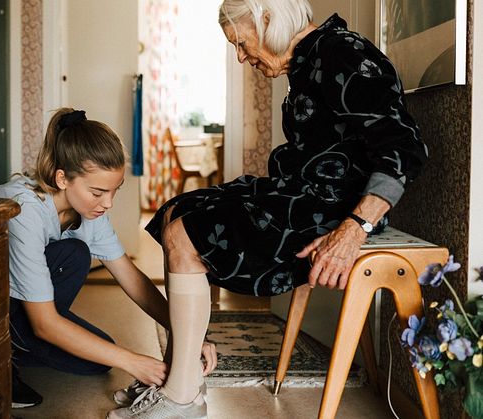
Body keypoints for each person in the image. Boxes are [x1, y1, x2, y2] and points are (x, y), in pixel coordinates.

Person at [107, 0, 427, 417]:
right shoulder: (308, 58)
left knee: (187, 234)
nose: (241, 56)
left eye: (241, 43)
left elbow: (405, 149)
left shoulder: (342, 52)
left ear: (269, 19)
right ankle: (184, 372)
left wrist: (354, 229)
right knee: (174, 212)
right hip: (299, 194)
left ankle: (181, 394)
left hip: (331, 211)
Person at [0, 107, 216, 409]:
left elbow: (132, 279)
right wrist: (135, 363)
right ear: (62, 179)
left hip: (23, 310)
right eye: (98, 192)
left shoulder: (89, 212)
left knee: (98, 363)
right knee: (74, 255)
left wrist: (189, 334)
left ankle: (20, 348)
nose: (108, 203)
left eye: (114, 191)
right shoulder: (24, 211)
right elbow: (44, 324)